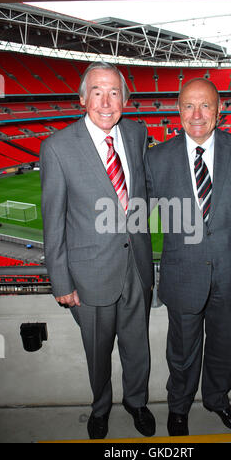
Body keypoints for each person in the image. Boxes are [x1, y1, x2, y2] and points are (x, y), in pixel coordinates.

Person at [145, 78, 231, 436]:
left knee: (222, 347)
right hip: (182, 274)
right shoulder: (157, 158)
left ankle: (218, 400)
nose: (197, 114)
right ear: (178, 111)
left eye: (205, 106)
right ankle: (179, 408)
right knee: (182, 353)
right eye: (188, 106)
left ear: (219, 111)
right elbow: (135, 218)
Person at [40, 62, 155, 440]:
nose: (106, 102)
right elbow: (53, 220)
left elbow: (140, 198)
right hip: (88, 276)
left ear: (125, 98)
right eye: (97, 92)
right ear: (82, 98)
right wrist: (61, 282)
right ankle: (100, 408)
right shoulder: (57, 147)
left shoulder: (138, 135)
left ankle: (137, 403)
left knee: (138, 346)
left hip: (135, 267)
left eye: (114, 92)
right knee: (98, 352)